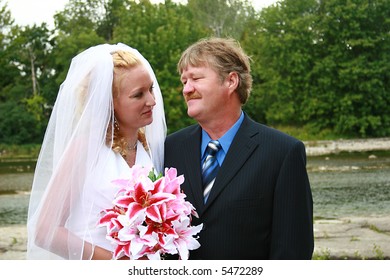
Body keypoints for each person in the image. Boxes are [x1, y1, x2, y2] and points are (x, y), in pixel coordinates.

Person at [164, 37, 314, 259]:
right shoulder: (171, 148)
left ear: (231, 81)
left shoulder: (282, 152)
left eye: (195, 78)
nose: (187, 89)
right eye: (184, 81)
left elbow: (292, 251)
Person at [26, 43, 166, 259]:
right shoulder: (85, 149)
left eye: (151, 89)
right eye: (138, 95)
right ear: (109, 103)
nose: (152, 101)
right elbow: (45, 232)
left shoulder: (147, 148)